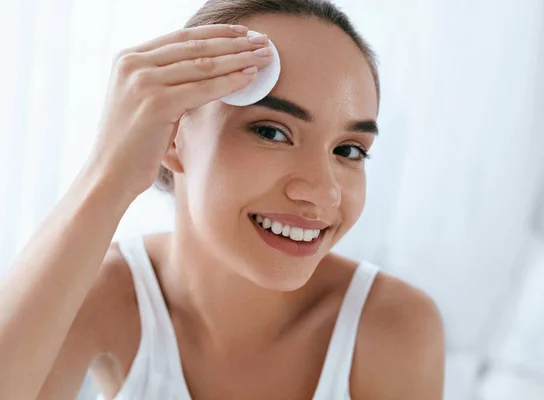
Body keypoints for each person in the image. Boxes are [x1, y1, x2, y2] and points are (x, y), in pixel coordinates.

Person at [0, 0, 445, 398]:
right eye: (272, 132)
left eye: (349, 150)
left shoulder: (392, 328)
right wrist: (107, 174)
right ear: (172, 135)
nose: (324, 192)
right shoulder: (104, 297)